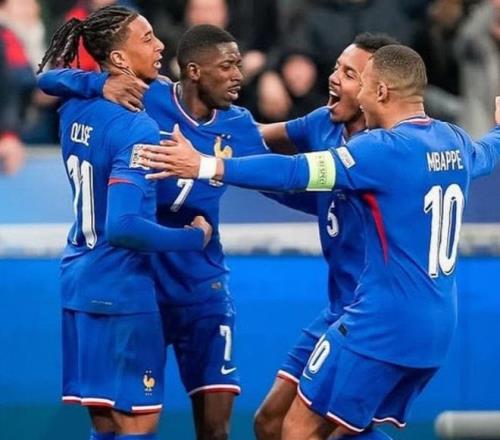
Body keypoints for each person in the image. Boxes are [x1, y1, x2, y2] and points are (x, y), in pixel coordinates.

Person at [136, 45, 500, 440]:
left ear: (380, 92)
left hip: (381, 320)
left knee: (299, 430)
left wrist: (205, 165)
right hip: (437, 324)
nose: (356, 94)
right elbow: (488, 152)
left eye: (362, 83)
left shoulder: (381, 150)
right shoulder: (453, 140)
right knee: (315, 426)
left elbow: (296, 171)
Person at [38, 24, 269, 440]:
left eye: (239, 65)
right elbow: (49, 78)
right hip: (142, 282)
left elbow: (279, 176)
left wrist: (341, 186)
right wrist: (100, 82)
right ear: (194, 71)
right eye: (227, 66)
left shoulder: (239, 126)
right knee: (128, 423)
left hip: (200, 289)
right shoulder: (145, 100)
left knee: (213, 429)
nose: (239, 75)